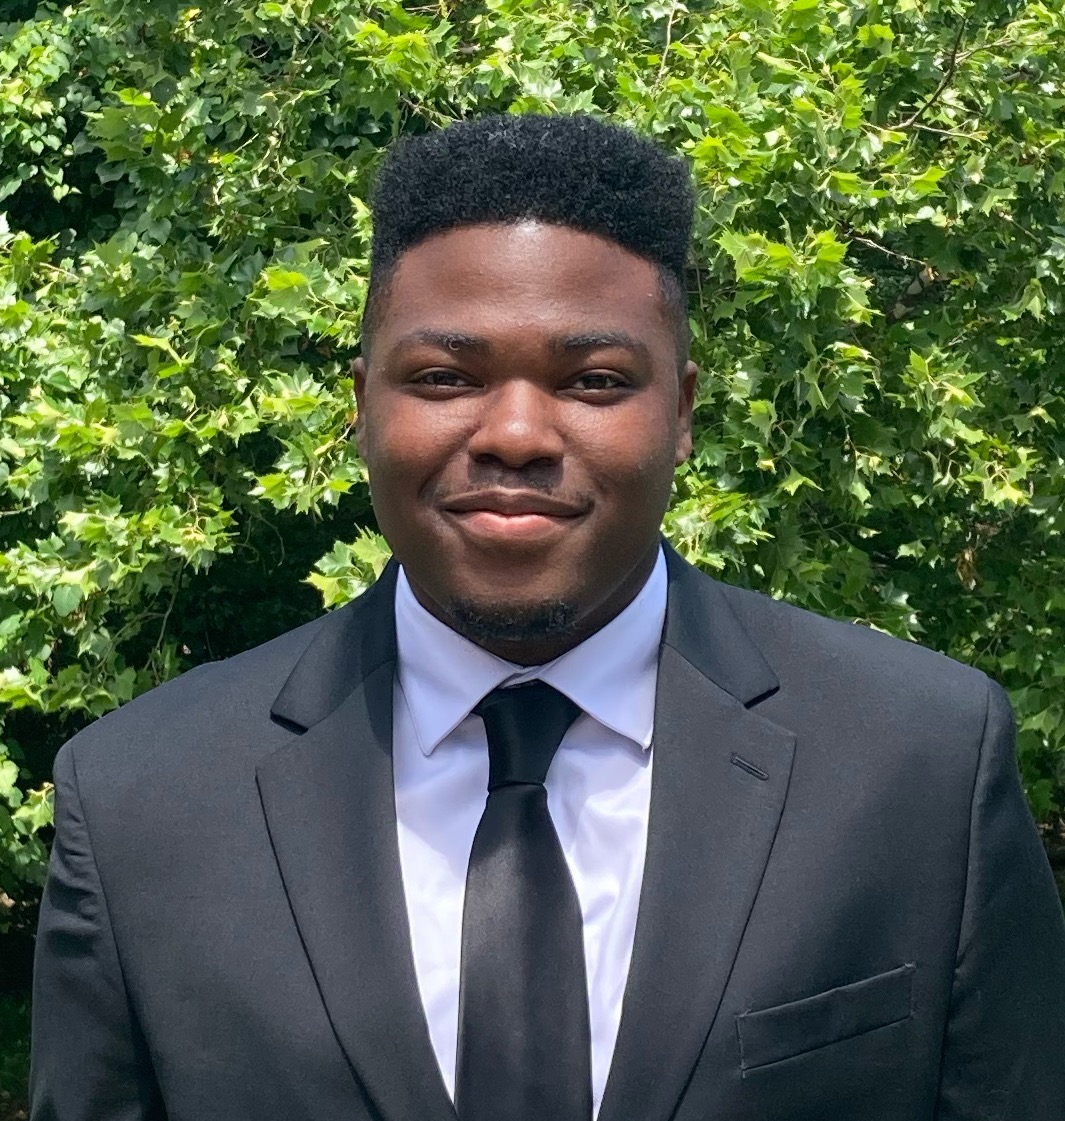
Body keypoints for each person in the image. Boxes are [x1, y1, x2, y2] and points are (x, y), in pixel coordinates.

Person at [30, 113, 1065, 1121]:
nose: (517, 432)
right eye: (445, 377)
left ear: (683, 410)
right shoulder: (136, 804)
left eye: (594, 380)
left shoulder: (922, 764)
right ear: (362, 404)